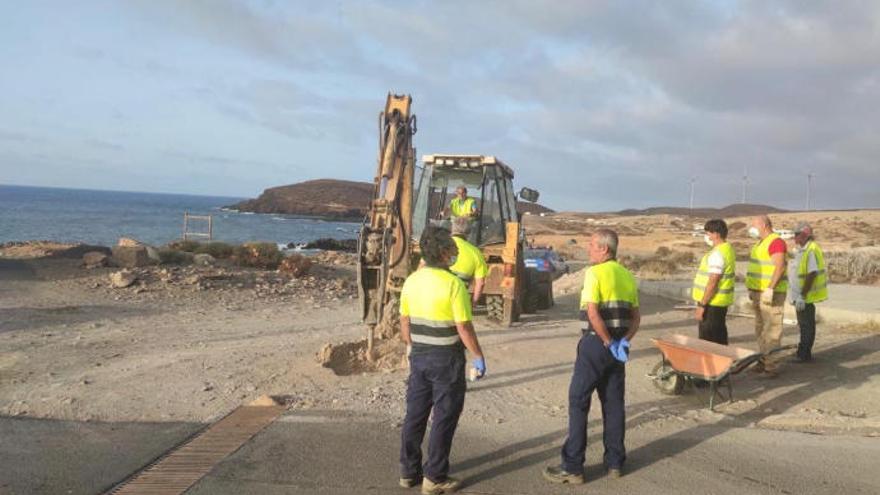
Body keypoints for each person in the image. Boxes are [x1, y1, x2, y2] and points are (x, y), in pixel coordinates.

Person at [543, 229, 640, 485]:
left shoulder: (595, 273)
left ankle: (573, 467)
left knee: (578, 400)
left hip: (596, 345)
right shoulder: (627, 276)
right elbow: (636, 317)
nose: (589, 249)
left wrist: (607, 341)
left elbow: (593, 313)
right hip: (617, 348)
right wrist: (623, 341)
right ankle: (615, 463)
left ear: (605, 249)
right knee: (613, 404)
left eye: (592, 245)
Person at [398, 226, 486, 494]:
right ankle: (434, 477)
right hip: (447, 358)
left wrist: (411, 346)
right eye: (452, 248)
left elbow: (404, 321)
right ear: (443, 252)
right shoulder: (454, 285)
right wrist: (478, 357)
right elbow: (464, 327)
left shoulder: (412, 281)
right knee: (444, 416)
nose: (456, 252)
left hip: (420, 356)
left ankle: (408, 472)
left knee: (415, 413)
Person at [745, 215, 788, 377]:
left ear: (763, 225)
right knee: (761, 328)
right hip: (758, 293)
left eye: (754, 224)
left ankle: (771, 366)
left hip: (772, 294)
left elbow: (780, 267)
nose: (752, 227)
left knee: (772, 330)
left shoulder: (775, 242)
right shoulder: (760, 244)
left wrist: (770, 289)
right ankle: (763, 360)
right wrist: (752, 289)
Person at [787, 222, 828, 362]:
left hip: (806, 297)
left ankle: (804, 354)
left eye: (796, 234)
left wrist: (802, 296)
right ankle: (802, 351)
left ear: (804, 235)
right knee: (804, 325)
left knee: (806, 326)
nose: (794, 237)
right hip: (802, 296)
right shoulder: (804, 249)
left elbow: (812, 274)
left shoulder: (811, 250)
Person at [692, 219, 736, 345]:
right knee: (719, 337)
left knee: (709, 341)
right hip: (719, 302)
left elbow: (713, 281)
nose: (707, 237)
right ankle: (723, 363)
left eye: (708, 233)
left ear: (716, 234)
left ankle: (712, 364)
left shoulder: (717, 254)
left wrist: (702, 305)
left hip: (712, 303)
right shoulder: (727, 249)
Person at [448, 217, 488, 306]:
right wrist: (474, 303)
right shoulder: (476, 253)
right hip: (458, 300)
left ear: (451, 229)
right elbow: (480, 283)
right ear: (469, 232)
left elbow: (422, 267)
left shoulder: (439, 245)